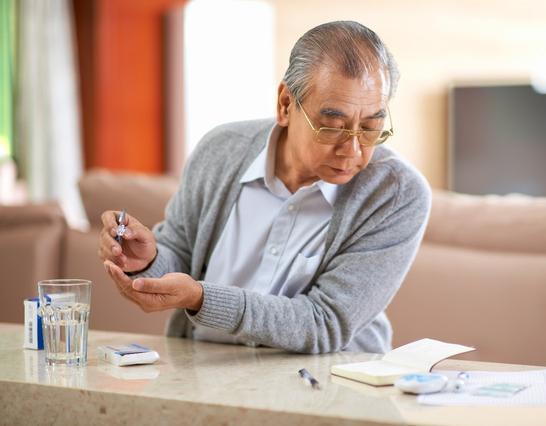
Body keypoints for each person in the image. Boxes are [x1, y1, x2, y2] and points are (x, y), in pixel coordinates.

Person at [99, 21, 431, 354]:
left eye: (371, 128)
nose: (353, 150)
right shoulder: (221, 149)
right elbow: (180, 256)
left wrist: (202, 298)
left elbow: (325, 323)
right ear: (286, 104)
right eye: (331, 127)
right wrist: (146, 261)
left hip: (332, 385)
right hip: (201, 375)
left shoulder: (397, 193)